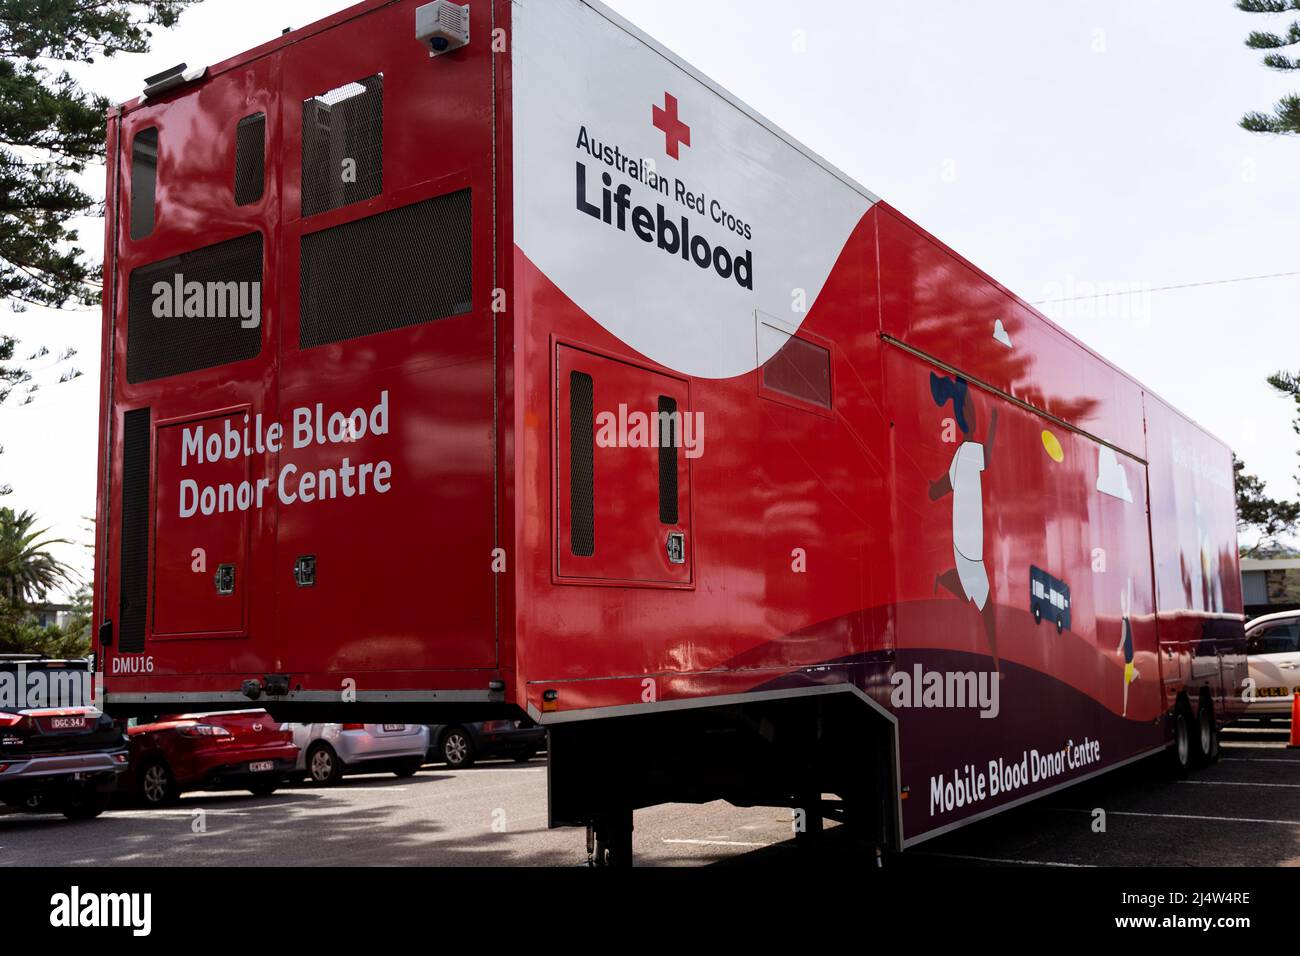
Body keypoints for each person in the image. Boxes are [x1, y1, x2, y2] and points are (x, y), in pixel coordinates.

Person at [928, 373, 1000, 673]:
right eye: (969, 406)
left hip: (966, 544)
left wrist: (935, 486)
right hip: (968, 545)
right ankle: (996, 665)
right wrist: (994, 423)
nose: (971, 411)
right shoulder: (967, 453)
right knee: (986, 606)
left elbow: (940, 489)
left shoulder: (965, 452)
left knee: (979, 598)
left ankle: (944, 580)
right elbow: (987, 454)